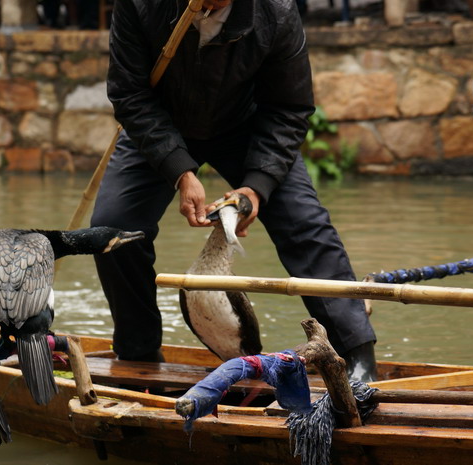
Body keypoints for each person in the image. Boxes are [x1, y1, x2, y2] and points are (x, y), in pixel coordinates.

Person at [90, 0, 377, 382]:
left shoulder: (276, 11)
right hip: (161, 125)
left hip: (248, 127)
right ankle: (139, 352)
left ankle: (357, 355)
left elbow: (289, 109)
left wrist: (257, 187)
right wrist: (180, 171)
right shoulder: (141, 4)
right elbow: (129, 94)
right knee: (112, 229)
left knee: (306, 226)